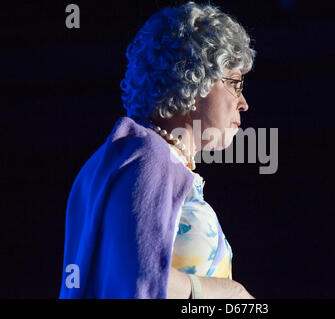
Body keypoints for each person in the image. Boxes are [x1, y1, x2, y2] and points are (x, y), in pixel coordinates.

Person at [59, 1, 256, 299]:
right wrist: (232, 295)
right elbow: (139, 282)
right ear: (194, 78)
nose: (243, 103)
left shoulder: (142, 156)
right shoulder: (148, 154)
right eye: (235, 84)